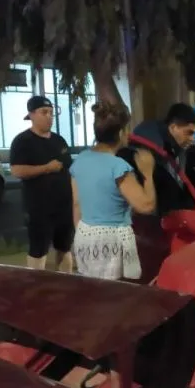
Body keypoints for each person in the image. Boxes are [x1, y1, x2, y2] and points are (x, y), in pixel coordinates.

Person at [70, 102, 156, 280]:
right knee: (114, 296)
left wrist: (82, 234)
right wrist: (147, 173)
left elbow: (77, 204)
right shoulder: (118, 167)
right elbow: (146, 205)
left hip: (85, 234)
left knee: (91, 291)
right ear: (120, 133)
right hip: (111, 239)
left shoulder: (81, 160)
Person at [9, 95, 74, 271]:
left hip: (63, 207)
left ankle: (66, 284)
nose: (49, 117)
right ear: (31, 115)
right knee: (39, 251)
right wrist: (46, 168)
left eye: (52, 113)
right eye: (44, 112)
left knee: (65, 248)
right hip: (39, 209)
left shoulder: (59, 140)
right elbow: (16, 170)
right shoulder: (22, 141)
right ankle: (36, 288)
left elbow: (69, 169)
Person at [128, 102, 195, 216]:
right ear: (173, 127)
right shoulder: (153, 146)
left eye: (194, 134)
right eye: (189, 133)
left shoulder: (177, 149)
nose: (192, 140)